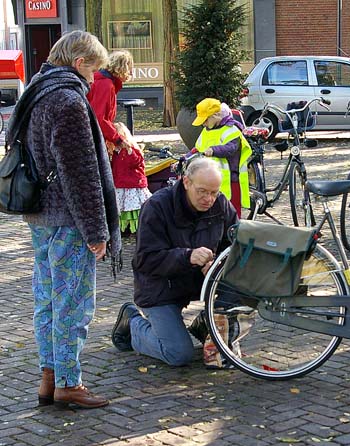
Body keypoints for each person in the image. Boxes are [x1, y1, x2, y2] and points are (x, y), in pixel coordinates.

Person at [20, 31, 120, 409]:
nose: (94, 79)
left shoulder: (36, 92)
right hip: (68, 219)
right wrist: (97, 231)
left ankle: (49, 378)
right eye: (93, 69)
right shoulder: (67, 100)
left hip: (40, 217)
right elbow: (80, 175)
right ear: (79, 63)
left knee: (46, 300)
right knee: (72, 303)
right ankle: (68, 382)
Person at [111, 157, 238, 368]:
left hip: (199, 283)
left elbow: (234, 245)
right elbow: (145, 260)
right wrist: (187, 256)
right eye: (203, 191)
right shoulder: (156, 206)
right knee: (178, 354)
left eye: (214, 192)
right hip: (160, 287)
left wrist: (217, 263)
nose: (209, 199)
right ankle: (132, 322)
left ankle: (206, 325)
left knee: (244, 287)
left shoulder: (220, 203)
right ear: (186, 182)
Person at [193, 98, 252, 218]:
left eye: (205, 120)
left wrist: (213, 150)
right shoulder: (207, 130)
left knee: (232, 214)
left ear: (215, 116)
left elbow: (231, 148)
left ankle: (233, 235)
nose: (203, 124)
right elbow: (197, 149)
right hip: (212, 179)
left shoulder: (232, 130)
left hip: (232, 179)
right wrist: (185, 157)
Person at [87, 49, 134, 157]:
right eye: (130, 69)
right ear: (123, 68)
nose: (131, 73)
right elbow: (99, 118)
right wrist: (117, 139)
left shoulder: (103, 81)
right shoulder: (106, 85)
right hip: (93, 137)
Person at [111, 122, 151, 235]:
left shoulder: (132, 151)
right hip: (121, 184)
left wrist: (129, 150)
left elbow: (136, 162)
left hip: (132, 185)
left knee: (133, 208)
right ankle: (125, 227)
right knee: (123, 207)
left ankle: (137, 226)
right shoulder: (116, 152)